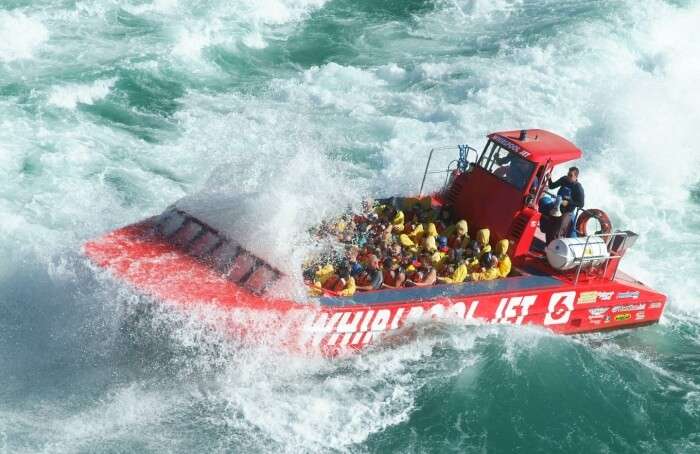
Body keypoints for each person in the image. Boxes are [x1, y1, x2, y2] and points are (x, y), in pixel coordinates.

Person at [544, 166, 585, 243]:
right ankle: (547, 247)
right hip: (557, 207)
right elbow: (551, 186)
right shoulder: (564, 179)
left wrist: (569, 202)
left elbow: (581, 204)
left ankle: (554, 251)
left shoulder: (578, 187)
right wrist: (549, 178)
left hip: (567, 212)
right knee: (549, 228)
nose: (568, 176)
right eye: (568, 174)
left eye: (571, 175)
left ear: (576, 177)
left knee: (558, 232)